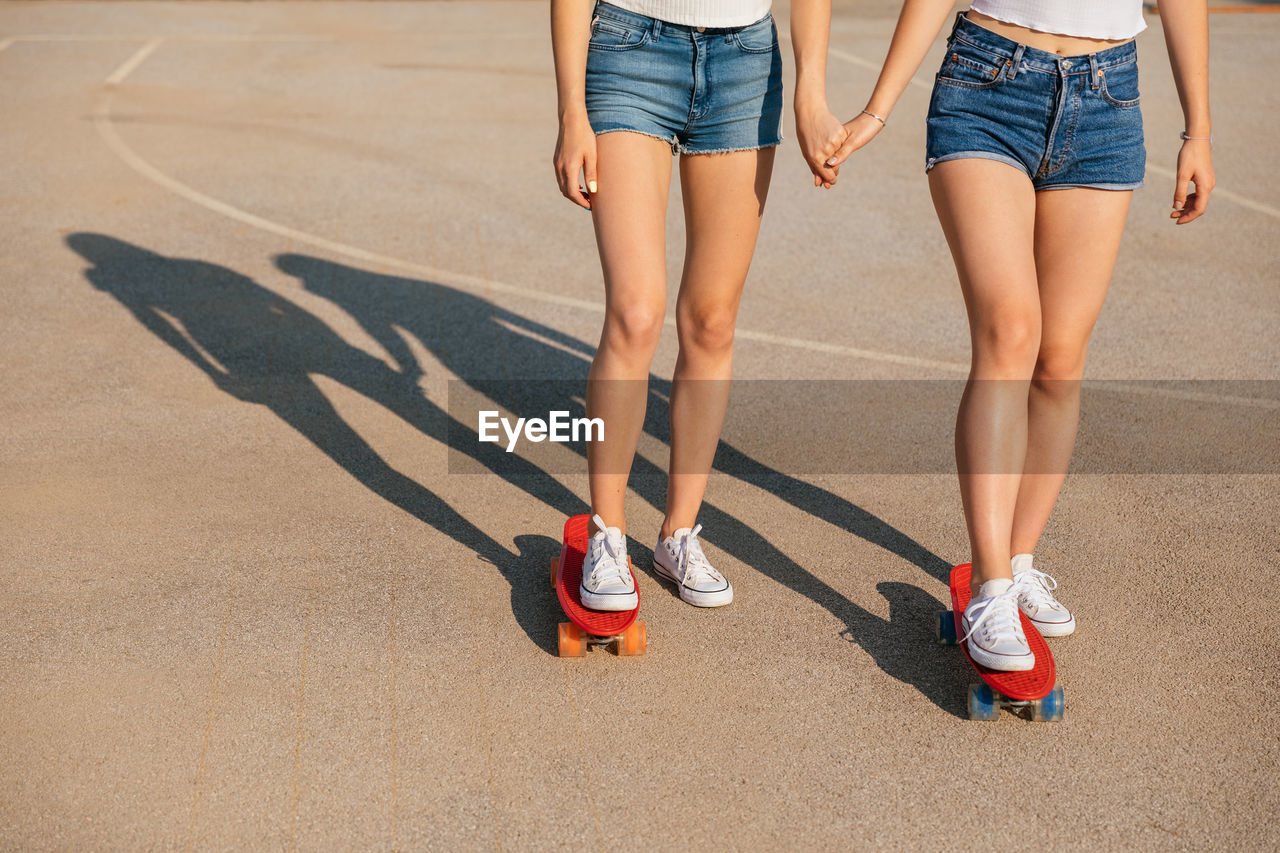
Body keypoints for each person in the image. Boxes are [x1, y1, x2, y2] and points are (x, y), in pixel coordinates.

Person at [822, 0, 1214, 669]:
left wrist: (1197, 130)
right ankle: (991, 586)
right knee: (1009, 330)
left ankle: (1020, 557)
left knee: (1059, 360)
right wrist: (878, 107)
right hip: (986, 84)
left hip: (1106, 94)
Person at [551, 0, 840, 609]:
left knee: (711, 323)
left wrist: (810, 93)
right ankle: (607, 534)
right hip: (630, 52)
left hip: (745, 65)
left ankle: (678, 533)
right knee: (636, 312)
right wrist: (571, 112)